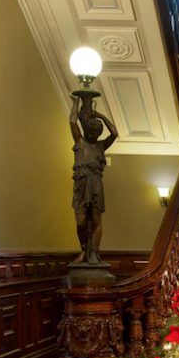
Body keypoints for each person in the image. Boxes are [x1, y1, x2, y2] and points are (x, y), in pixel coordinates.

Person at [70, 96, 118, 265]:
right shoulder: (80, 142)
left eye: (95, 133)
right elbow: (73, 122)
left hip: (96, 184)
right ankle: (84, 249)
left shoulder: (100, 146)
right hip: (82, 184)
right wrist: (75, 104)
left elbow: (114, 133)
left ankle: (93, 254)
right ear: (86, 132)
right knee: (81, 221)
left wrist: (101, 116)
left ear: (98, 134)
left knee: (96, 219)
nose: (92, 135)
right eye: (90, 132)